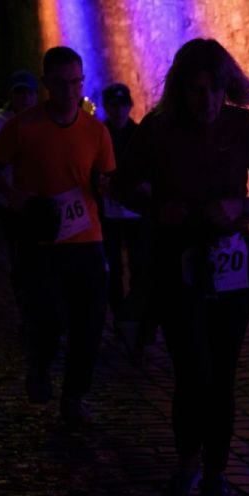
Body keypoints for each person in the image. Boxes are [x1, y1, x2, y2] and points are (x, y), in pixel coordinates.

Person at [112, 38, 249, 496]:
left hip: (230, 268)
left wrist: (240, 206)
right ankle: (188, 467)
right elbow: (121, 184)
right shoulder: (159, 129)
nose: (207, 101)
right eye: (196, 90)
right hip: (178, 264)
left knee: (223, 376)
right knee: (193, 372)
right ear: (181, 89)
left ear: (226, 87)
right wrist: (156, 207)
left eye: (215, 90)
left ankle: (215, 475)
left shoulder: (243, 126)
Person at [0, 49, 115, 428]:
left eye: (75, 83)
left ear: (82, 83)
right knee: (48, 319)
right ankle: (40, 365)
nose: (68, 92)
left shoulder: (96, 131)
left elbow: (105, 176)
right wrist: (15, 198)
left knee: (89, 323)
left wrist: (106, 186)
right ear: (46, 84)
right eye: (60, 84)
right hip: (40, 241)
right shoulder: (22, 127)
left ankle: (74, 396)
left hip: (87, 239)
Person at [98, 82, 154, 357]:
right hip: (109, 214)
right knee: (113, 270)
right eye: (113, 105)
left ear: (129, 106)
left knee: (140, 267)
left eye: (122, 105)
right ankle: (121, 318)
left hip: (135, 214)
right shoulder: (100, 135)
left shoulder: (140, 135)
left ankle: (136, 320)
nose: (119, 110)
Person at [0, 70, 39, 321]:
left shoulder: (40, 120)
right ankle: (24, 303)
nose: (25, 99)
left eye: (29, 93)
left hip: (34, 197)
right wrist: (9, 195)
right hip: (8, 199)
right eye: (20, 93)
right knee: (19, 252)